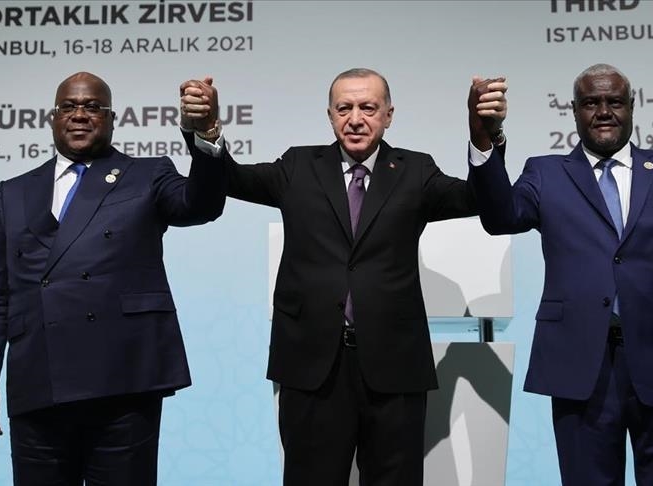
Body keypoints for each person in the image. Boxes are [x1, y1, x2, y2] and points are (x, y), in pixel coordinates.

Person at [177, 68, 508, 485]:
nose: (355, 119)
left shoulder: (415, 170)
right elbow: (230, 178)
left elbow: (484, 202)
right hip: (312, 367)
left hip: (395, 367)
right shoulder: (297, 166)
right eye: (344, 108)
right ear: (330, 115)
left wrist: (483, 139)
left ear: (388, 115)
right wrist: (207, 130)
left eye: (368, 108)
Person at [468, 63, 653, 485]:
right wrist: (485, 139)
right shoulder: (545, 172)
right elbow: (499, 217)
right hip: (580, 369)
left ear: (632, 106)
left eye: (614, 102)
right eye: (591, 103)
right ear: (574, 110)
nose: (603, 112)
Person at [0, 72, 226, 485]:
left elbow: (202, 204)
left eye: (93, 107)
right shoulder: (12, 192)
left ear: (111, 119)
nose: (80, 115)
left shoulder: (146, 174)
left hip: (122, 383)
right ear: (53, 117)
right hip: (38, 381)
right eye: (69, 106)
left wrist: (205, 135)